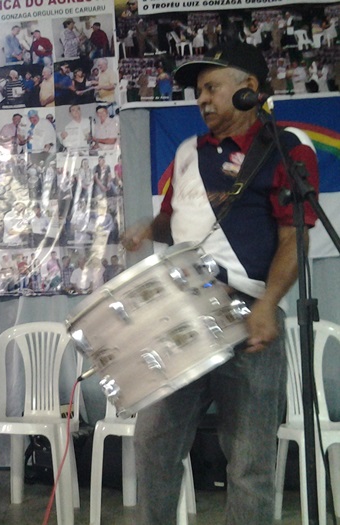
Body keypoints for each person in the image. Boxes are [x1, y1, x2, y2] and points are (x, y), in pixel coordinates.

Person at [120, 41, 319, 524]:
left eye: (211, 87)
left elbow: (294, 237)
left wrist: (269, 305)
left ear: (248, 88)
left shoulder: (287, 147)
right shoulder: (188, 152)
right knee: (154, 442)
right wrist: (148, 229)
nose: (202, 99)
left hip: (248, 315)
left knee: (249, 460)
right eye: (198, 92)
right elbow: (174, 222)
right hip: (182, 313)